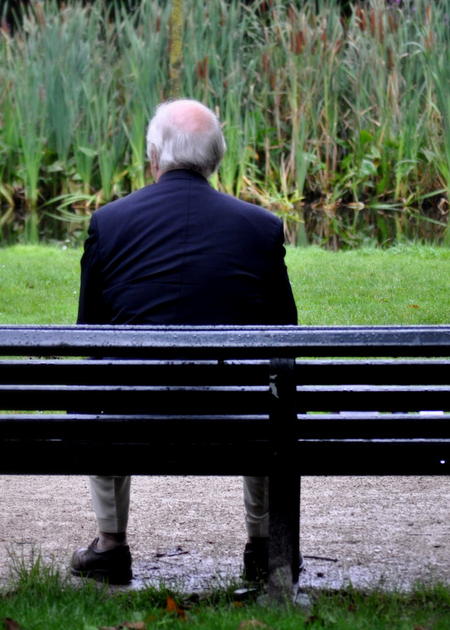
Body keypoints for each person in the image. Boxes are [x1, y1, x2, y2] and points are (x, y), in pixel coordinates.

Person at [70, 99, 298, 585]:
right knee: (269, 395)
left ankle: (110, 545)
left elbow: (89, 335)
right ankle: (263, 547)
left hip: (131, 418)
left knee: (100, 387)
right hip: (237, 420)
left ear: (154, 156)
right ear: (216, 160)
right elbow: (285, 339)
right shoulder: (260, 229)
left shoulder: (109, 224)